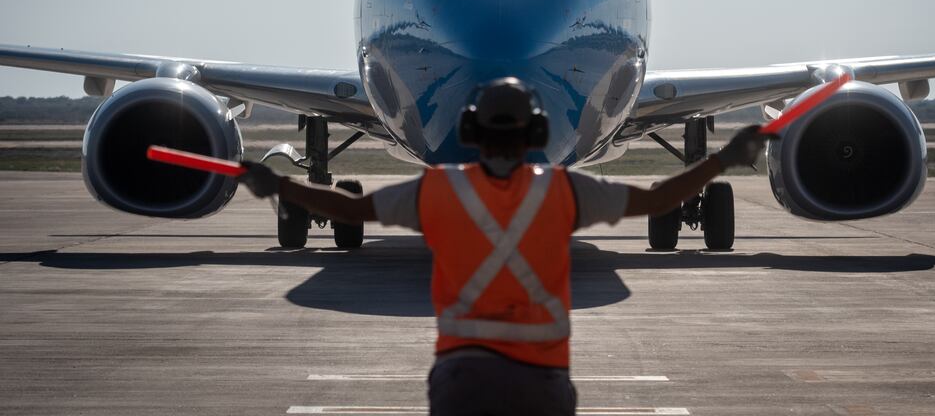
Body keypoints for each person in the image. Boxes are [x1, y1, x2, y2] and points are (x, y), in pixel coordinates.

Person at [238, 77, 770, 416]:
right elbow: (659, 200)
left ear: (470, 128)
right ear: (536, 130)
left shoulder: (439, 191)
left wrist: (280, 185)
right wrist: (722, 160)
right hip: (541, 383)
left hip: (462, 381)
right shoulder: (563, 190)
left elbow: (351, 210)